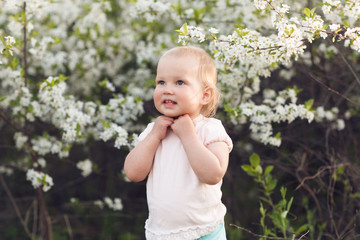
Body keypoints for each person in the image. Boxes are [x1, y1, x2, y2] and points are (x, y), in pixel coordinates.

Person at [124, 46, 233, 240]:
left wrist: (188, 135)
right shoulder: (154, 131)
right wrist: (154, 137)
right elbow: (133, 173)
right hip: (163, 234)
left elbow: (214, 174)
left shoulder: (209, 129)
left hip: (204, 232)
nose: (168, 90)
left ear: (204, 95)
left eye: (180, 82)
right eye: (161, 82)